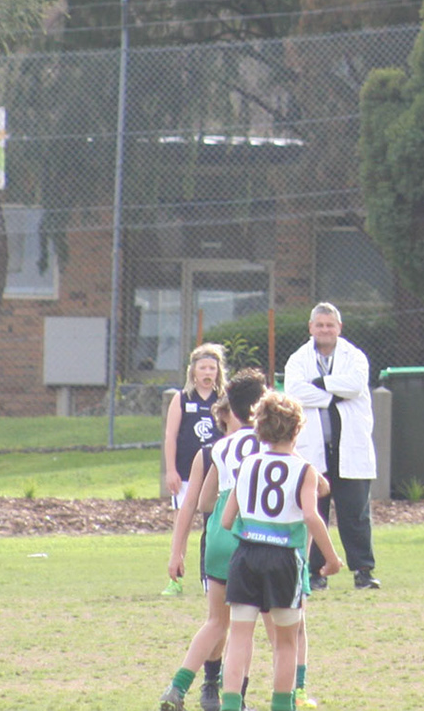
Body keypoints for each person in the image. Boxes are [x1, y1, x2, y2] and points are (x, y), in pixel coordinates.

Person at [220, 390, 343, 711]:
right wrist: (332, 558)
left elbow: (226, 520)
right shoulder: (304, 470)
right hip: (283, 559)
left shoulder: (247, 465)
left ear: (259, 428)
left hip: (246, 556)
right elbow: (311, 516)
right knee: (286, 643)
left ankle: (230, 705)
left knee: (239, 637)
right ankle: (282, 705)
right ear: (297, 429)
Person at [157, 370, 265, 711]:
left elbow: (203, 503)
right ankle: (237, 699)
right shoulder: (270, 444)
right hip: (252, 535)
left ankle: (177, 687)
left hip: (218, 535)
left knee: (216, 621)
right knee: (244, 627)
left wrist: (178, 551)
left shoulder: (218, 448)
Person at [285, 304, 377, 589]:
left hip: (350, 447)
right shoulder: (298, 359)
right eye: (320, 325)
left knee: (355, 513)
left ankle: (363, 570)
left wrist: (320, 383)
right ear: (311, 327)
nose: (325, 330)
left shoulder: (355, 357)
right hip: (314, 449)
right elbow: (294, 392)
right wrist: (333, 396)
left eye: (330, 325)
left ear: (339, 328)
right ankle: (316, 573)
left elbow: (356, 385)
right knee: (315, 511)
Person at [164, 345, 227, 597]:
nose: (207, 372)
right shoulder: (182, 399)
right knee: (182, 523)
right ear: (193, 371)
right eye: (203, 368)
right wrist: (171, 470)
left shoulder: (223, 399)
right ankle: (175, 578)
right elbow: (170, 436)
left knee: (215, 523)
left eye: (212, 368)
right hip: (185, 472)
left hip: (215, 472)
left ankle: (216, 576)